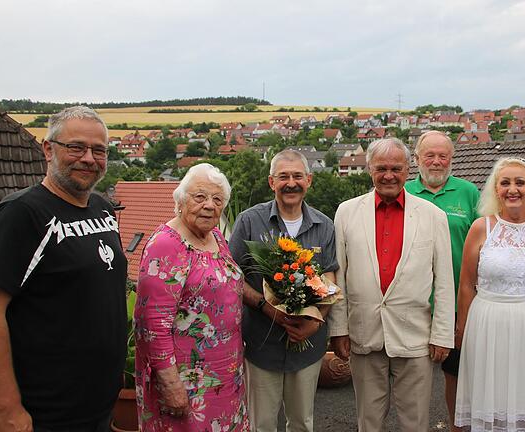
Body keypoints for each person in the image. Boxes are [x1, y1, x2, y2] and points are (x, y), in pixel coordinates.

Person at [0, 106, 127, 431]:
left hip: (94, 410)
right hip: (43, 414)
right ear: (48, 149)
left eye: (98, 150)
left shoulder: (103, 209)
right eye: (75, 147)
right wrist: (8, 408)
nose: (88, 158)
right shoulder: (22, 215)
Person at [328, 138, 455, 432]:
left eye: (396, 168)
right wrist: (339, 330)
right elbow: (338, 278)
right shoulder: (346, 212)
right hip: (363, 332)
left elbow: (445, 282)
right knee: (368, 422)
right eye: (381, 168)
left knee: (415, 422)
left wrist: (442, 335)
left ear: (408, 169)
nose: (388, 175)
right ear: (369, 169)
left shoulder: (433, 216)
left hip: (416, 336)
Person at [228, 149, 338, 432]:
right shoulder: (250, 221)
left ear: (309, 180)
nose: (291, 183)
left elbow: (329, 276)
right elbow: (232, 275)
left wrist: (315, 321)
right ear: (271, 182)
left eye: (298, 176)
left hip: (308, 346)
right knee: (261, 423)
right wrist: (267, 308)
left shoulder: (324, 225)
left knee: (302, 423)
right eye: (283, 176)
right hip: (262, 343)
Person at [134, 163, 249, 431]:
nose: (209, 205)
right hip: (186, 382)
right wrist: (171, 384)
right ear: (181, 199)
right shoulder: (166, 245)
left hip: (225, 376)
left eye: (217, 199)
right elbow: (151, 326)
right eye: (200, 197)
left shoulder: (216, 237)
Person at [454, 157, 525, 432]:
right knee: (493, 390)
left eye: (520, 183)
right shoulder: (481, 227)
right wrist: (463, 328)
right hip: (488, 321)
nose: (513, 189)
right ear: (495, 189)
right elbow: (466, 283)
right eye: (505, 183)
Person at [404, 130, 479, 431]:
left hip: (459, 302)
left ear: (451, 159)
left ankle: (456, 427)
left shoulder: (469, 193)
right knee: (411, 378)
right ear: (417, 159)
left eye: (442, 156)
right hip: (414, 302)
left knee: (457, 373)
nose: (436, 162)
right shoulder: (404, 191)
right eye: (429, 155)